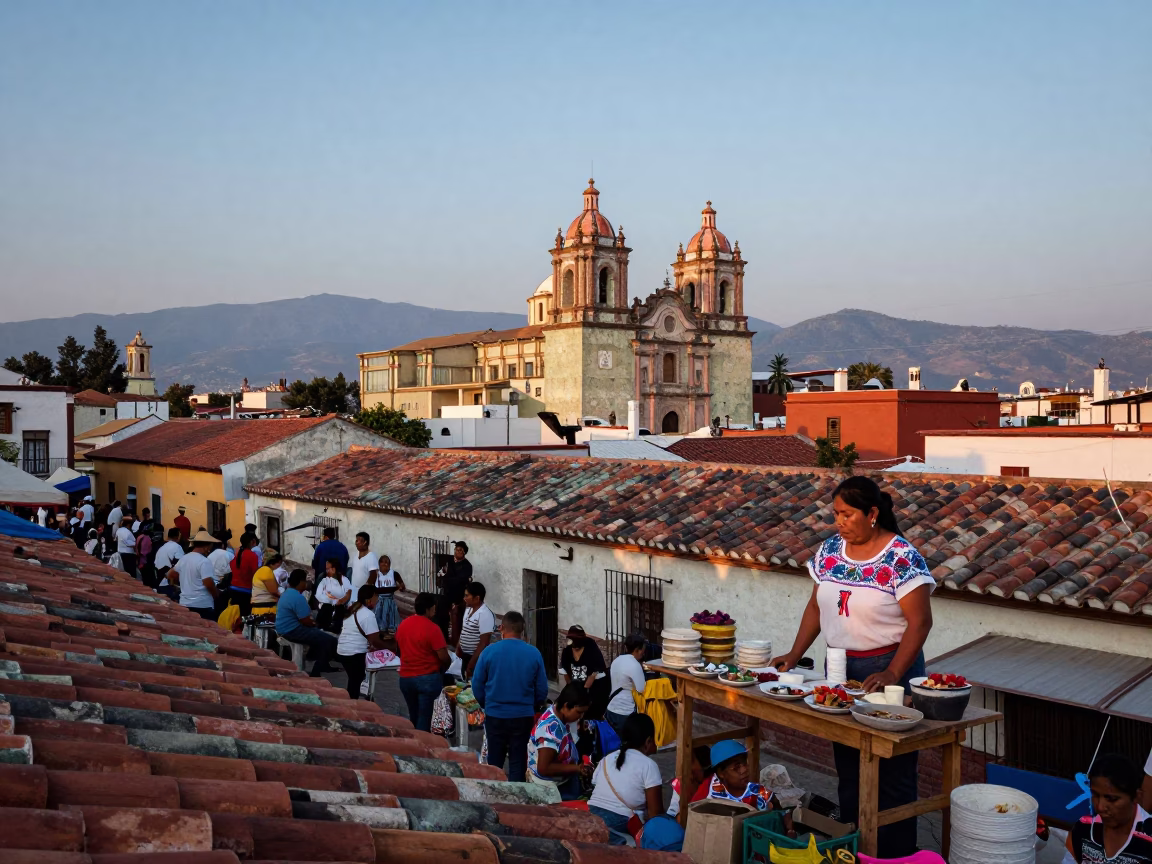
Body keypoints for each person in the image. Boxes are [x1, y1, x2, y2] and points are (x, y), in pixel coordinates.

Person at [770, 475, 934, 858]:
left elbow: (921, 622)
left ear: (872, 513)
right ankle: (855, 846)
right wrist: (794, 655)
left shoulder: (901, 558)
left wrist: (893, 673)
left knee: (891, 770)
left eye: (846, 514)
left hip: (889, 669)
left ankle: (893, 853)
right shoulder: (830, 551)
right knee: (849, 765)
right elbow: (816, 607)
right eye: (836, 514)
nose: (839, 522)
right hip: (839, 667)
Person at [471, 610, 548, 783]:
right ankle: (516, 800)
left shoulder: (489, 652)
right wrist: (532, 705)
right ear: (522, 630)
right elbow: (542, 689)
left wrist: (487, 704)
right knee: (518, 759)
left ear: (502, 628)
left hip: (495, 714)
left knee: (495, 759)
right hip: (523, 715)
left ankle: (496, 793)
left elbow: (477, 685)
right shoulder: (534, 653)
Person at [589, 712, 665, 842]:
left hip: (592, 812)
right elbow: (655, 815)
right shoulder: (649, 765)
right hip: (620, 821)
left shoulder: (607, 758)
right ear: (648, 741)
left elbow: (596, 786)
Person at [1065, 753, 1152, 863]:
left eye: (1112, 799)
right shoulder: (1083, 828)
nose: (1100, 807)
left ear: (1136, 797)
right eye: (1095, 795)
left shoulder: (1148, 838)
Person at [705, 740, 795, 834]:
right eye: (737, 767)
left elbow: (777, 805)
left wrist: (786, 822)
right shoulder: (714, 798)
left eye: (745, 763)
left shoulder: (757, 790)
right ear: (721, 773)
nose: (744, 770)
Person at [394, 592, 451, 732]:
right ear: (427, 609)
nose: (435, 610)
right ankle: (421, 749)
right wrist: (446, 666)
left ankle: (414, 745)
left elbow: (399, 649)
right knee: (425, 718)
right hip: (427, 678)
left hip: (406, 678)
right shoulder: (432, 628)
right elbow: (444, 657)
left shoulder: (403, 625)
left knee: (414, 716)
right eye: (433, 607)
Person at [528, 681, 593, 799]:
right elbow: (544, 768)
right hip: (550, 789)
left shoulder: (558, 714)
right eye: (579, 712)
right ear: (566, 706)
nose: (581, 716)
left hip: (562, 781)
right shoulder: (550, 730)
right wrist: (577, 768)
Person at [276, 569, 338, 677]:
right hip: (293, 630)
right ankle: (317, 670)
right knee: (330, 640)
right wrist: (315, 625)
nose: (306, 584)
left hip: (284, 629)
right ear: (300, 582)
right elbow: (305, 620)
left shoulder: (286, 593)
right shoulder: (297, 597)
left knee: (320, 637)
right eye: (305, 581)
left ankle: (318, 662)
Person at [337, 584, 389, 700]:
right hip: (353, 653)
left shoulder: (353, 609)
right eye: (377, 597)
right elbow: (375, 640)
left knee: (354, 679)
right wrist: (391, 649)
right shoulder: (368, 615)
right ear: (369, 599)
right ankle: (354, 705)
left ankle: (354, 701)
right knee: (356, 680)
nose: (378, 600)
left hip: (343, 651)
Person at [560, 625, 610, 721]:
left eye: (578, 640)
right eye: (573, 639)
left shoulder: (591, 650)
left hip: (591, 694)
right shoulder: (567, 652)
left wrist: (585, 689)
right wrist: (572, 691)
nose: (576, 642)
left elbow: (596, 672)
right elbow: (566, 674)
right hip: (575, 694)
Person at [606, 632, 648, 733]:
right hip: (625, 712)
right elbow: (641, 689)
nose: (643, 653)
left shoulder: (617, 660)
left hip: (611, 708)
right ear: (637, 650)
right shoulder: (634, 665)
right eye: (642, 650)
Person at [176, 531, 221, 620]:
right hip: (202, 605)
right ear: (206, 546)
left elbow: (171, 574)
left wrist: (185, 582)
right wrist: (216, 594)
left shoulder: (184, 558)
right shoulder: (204, 561)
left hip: (185, 603)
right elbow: (208, 583)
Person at [457, 581, 495, 679]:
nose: (464, 598)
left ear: (477, 598)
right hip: (464, 656)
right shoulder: (468, 608)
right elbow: (464, 631)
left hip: (476, 659)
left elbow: (484, 642)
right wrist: (458, 648)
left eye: (467, 596)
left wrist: (471, 665)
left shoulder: (485, 614)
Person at [668, 745, 713, 825]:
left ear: (704, 763)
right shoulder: (681, 782)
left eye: (691, 762)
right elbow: (672, 816)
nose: (685, 767)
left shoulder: (714, 782)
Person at [437, 540, 472, 642]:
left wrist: (447, 579)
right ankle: (443, 638)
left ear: (464, 552)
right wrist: (441, 579)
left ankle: (456, 641)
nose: (457, 552)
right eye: (456, 549)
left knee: (457, 619)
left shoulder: (467, 566)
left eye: (460, 550)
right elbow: (441, 573)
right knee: (442, 616)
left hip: (459, 595)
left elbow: (460, 580)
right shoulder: (449, 561)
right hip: (446, 593)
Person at [315, 557, 353, 633]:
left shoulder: (344, 580)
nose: (326, 571)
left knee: (339, 610)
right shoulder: (324, 580)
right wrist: (331, 600)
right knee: (327, 607)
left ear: (334, 569)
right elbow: (318, 595)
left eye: (328, 568)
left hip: (339, 608)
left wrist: (340, 601)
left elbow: (348, 594)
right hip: (325, 607)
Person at [228, 531, 260, 616]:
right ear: (252, 541)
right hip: (246, 591)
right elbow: (255, 574)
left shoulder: (237, 554)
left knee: (234, 617)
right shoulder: (252, 555)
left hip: (233, 589)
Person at [373, 554, 405, 635]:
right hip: (379, 600)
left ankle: (390, 633)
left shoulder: (394, 574)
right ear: (379, 564)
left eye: (387, 562)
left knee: (391, 618)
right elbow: (371, 587)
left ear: (390, 564)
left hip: (390, 600)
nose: (384, 564)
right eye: (382, 562)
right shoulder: (375, 574)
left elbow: (402, 585)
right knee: (378, 619)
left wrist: (400, 587)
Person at [154, 527, 184, 599]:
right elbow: (180, 565)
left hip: (159, 582)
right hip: (170, 584)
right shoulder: (177, 547)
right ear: (177, 536)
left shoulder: (162, 548)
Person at [251, 550, 283, 616]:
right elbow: (274, 591)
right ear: (272, 563)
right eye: (279, 563)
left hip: (261, 608)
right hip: (265, 610)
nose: (280, 565)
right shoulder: (266, 570)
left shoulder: (262, 570)